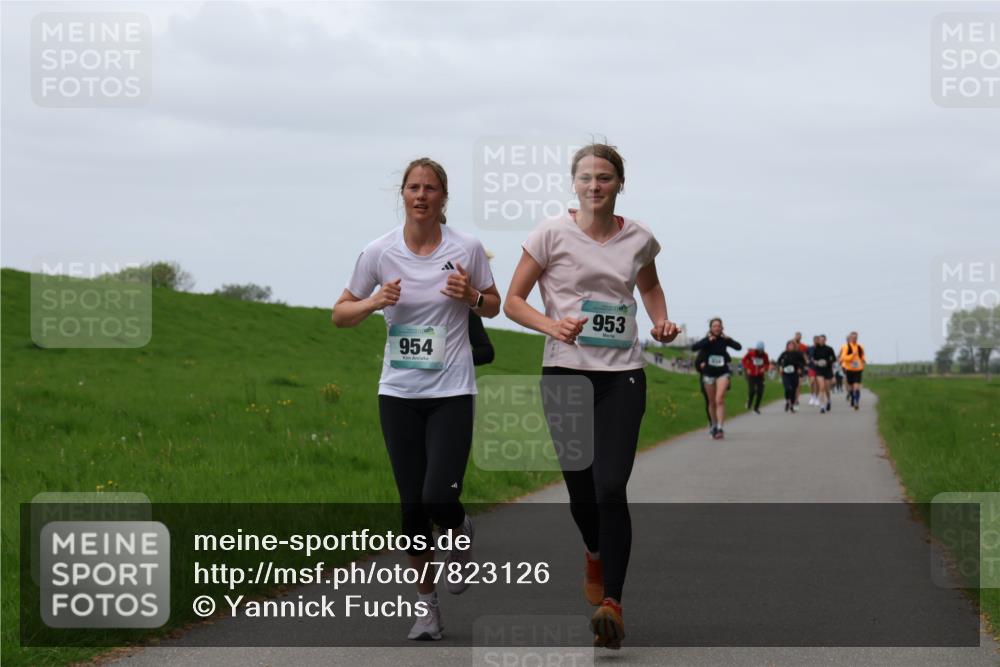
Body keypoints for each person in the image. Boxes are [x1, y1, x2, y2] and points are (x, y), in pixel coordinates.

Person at [504, 143, 678, 650]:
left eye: (604, 178)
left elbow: (648, 288)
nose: (595, 186)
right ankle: (594, 552)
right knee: (581, 493)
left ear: (619, 183)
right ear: (573, 183)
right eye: (586, 178)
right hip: (565, 374)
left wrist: (660, 319)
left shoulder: (639, 237)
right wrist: (552, 324)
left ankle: (614, 605)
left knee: (609, 485)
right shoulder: (549, 233)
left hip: (622, 373)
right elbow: (513, 301)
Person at [332, 157, 501, 641]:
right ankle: (427, 609)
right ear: (402, 195)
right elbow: (339, 314)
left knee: (436, 496)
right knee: (411, 509)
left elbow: (493, 302)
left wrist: (470, 294)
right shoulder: (378, 252)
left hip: (451, 391)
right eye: (413, 187)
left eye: (430, 188)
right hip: (399, 393)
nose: (421, 195)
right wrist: (373, 302)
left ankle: (459, 529)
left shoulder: (466, 248)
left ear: (444, 197)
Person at [691, 318, 742, 439]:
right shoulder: (707, 340)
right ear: (711, 328)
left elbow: (739, 347)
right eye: (714, 326)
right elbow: (694, 347)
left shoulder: (724, 340)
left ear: (722, 328)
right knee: (712, 402)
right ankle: (713, 425)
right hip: (708, 374)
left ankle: (720, 427)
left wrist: (730, 340)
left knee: (719, 399)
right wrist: (707, 340)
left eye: (719, 326)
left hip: (722, 373)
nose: (717, 328)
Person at [776, 340, 807, 413]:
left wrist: (800, 368)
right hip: (785, 374)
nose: (790, 347)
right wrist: (780, 367)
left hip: (794, 374)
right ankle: (787, 401)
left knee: (793, 390)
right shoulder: (784, 354)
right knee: (787, 388)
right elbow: (778, 362)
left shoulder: (798, 354)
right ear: (787, 346)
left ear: (794, 346)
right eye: (789, 345)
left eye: (792, 345)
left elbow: (803, 362)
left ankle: (792, 405)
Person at [839, 331, 866, 410]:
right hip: (849, 369)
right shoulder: (846, 347)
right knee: (850, 387)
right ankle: (852, 397)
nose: (854, 339)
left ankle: (856, 402)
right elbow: (843, 358)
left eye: (856, 337)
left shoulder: (860, 347)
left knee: (856, 387)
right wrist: (852, 355)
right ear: (850, 338)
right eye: (853, 337)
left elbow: (863, 357)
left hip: (858, 369)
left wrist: (863, 363)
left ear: (857, 338)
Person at [741, 341, 770, 414]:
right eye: (759, 350)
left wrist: (764, 368)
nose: (760, 351)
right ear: (757, 349)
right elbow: (744, 360)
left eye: (761, 350)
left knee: (760, 392)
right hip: (751, 375)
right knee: (752, 391)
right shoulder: (751, 353)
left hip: (760, 376)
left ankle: (756, 408)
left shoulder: (765, 355)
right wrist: (747, 368)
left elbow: (767, 363)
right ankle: (749, 402)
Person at [811, 334, 837, 413]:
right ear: (818, 341)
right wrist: (815, 362)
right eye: (820, 340)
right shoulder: (816, 349)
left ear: (825, 340)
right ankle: (822, 406)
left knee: (827, 389)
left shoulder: (829, 349)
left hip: (827, 370)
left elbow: (834, 359)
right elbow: (813, 358)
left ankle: (829, 400)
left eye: (823, 340)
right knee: (821, 387)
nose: (821, 341)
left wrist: (827, 362)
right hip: (819, 370)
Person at [792, 331, 808, 406]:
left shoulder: (803, 346)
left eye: (799, 336)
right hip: (792, 367)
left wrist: (806, 362)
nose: (797, 337)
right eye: (796, 336)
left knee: (799, 384)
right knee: (793, 384)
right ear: (794, 336)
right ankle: (792, 397)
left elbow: (805, 356)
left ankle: (797, 399)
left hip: (801, 367)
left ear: (801, 337)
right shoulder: (790, 345)